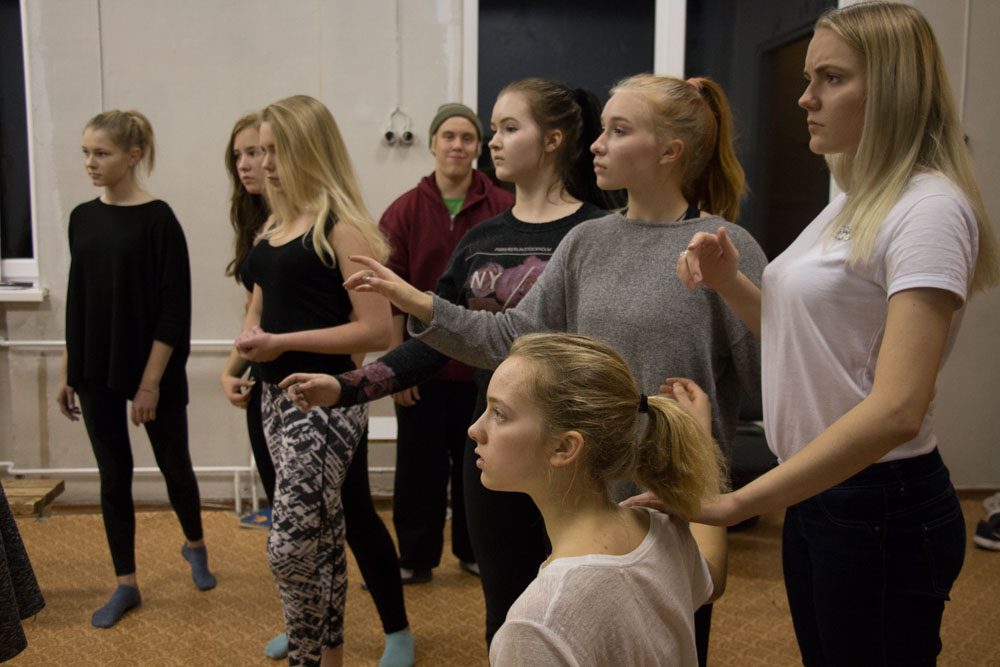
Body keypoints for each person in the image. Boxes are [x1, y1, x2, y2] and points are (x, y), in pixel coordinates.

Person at [336, 73, 766, 664]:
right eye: (602, 129)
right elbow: (511, 336)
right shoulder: (587, 242)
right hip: (584, 498)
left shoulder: (724, 247)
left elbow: (772, 376)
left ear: (670, 152)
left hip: (674, 501)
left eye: (619, 131)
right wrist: (415, 300)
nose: (598, 144)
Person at [657, 3, 1000, 663]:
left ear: (894, 89)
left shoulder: (929, 209)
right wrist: (730, 281)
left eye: (832, 78)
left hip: (879, 501)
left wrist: (734, 503)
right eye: (810, 78)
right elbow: (803, 341)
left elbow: (898, 409)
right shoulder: (852, 199)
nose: (806, 97)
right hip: (819, 489)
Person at [281, 78, 617, 648]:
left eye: (510, 128)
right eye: (494, 129)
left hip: (577, 453)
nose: (493, 141)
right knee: (507, 614)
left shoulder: (596, 233)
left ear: (554, 139)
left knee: (583, 613)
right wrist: (347, 386)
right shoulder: (481, 239)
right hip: (499, 447)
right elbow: (437, 341)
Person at [218, 114, 413, 665]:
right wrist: (237, 362)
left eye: (275, 150)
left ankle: (330, 648)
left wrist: (281, 343)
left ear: (308, 150)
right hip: (273, 399)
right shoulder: (273, 227)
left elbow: (376, 330)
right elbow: (257, 311)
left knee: (289, 548)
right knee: (322, 537)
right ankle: (330, 654)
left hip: (324, 401)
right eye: (259, 151)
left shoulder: (341, 228)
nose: (264, 163)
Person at [475, 333, 725, 666]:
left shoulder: (537, 625)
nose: (474, 429)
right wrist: (701, 445)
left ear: (564, 447)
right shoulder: (662, 529)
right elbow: (713, 578)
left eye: (499, 414)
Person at [56, 110, 215, 629]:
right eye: (85, 152)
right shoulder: (81, 217)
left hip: (152, 366)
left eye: (100, 153)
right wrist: (68, 367)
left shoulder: (158, 219)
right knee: (113, 475)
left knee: (174, 466)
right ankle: (126, 582)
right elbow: (79, 298)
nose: (90, 163)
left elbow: (174, 307)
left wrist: (150, 384)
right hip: (94, 363)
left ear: (133, 155)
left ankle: (195, 545)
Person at [378, 103, 513, 584]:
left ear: (478, 147)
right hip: (423, 368)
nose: (458, 145)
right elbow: (390, 296)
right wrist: (397, 369)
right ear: (433, 143)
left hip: (486, 368)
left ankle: (475, 552)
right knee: (418, 470)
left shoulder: (503, 207)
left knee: (481, 467)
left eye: (467, 137)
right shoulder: (403, 211)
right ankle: (415, 557)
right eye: (449, 136)